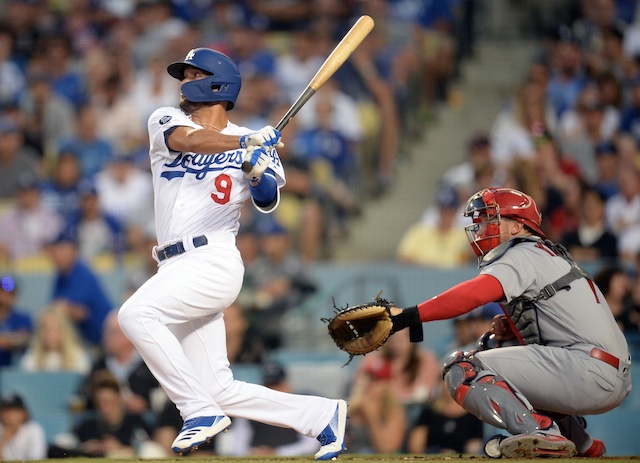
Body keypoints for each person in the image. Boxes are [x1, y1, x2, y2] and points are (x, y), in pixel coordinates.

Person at [115, 47, 347, 460]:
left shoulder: (256, 142)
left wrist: (256, 170)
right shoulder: (167, 120)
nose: (183, 83)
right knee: (217, 387)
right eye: (183, 75)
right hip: (173, 263)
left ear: (217, 83)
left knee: (136, 315)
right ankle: (321, 415)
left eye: (191, 74)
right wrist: (244, 140)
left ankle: (197, 412)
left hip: (212, 259)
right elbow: (186, 140)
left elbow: (268, 200)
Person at [388, 187, 632, 458]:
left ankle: (542, 433)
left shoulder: (522, 252)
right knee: (496, 342)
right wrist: (512, 328)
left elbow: (474, 294)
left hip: (588, 370)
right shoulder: (546, 254)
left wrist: (408, 316)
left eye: (490, 220)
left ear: (517, 226)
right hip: (604, 371)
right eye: (480, 221)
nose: (481, 229)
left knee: (460, 368)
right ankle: (581, 441)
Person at [215, 362, 322, 457]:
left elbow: (310, 445)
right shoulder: (251, 409)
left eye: (276, 385)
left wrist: (277, 452)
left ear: (287, 386)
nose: (273, 391)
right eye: (269, 386)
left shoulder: (300, 408)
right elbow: (238, 443)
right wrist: (252, 453)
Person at [19, 303, 92, 374]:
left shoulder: (78, 357)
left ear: (64, 331)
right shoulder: (31, 359)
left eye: (54, 329)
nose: (50, 334)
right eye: (46, 329)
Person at [0, 393, 47, 460]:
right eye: (5, 411)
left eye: (14, 411)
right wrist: (3, 441)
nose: (9, 415)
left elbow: (36, 459)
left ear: (23, 413)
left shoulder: (33, 429)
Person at [0, 275, 33, 368]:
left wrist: (11, 341)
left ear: (14, 296)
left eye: (8, 294)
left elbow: (27, 339)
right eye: (1, 292)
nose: (3, 297)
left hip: (14, 371)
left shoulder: (23, 319)